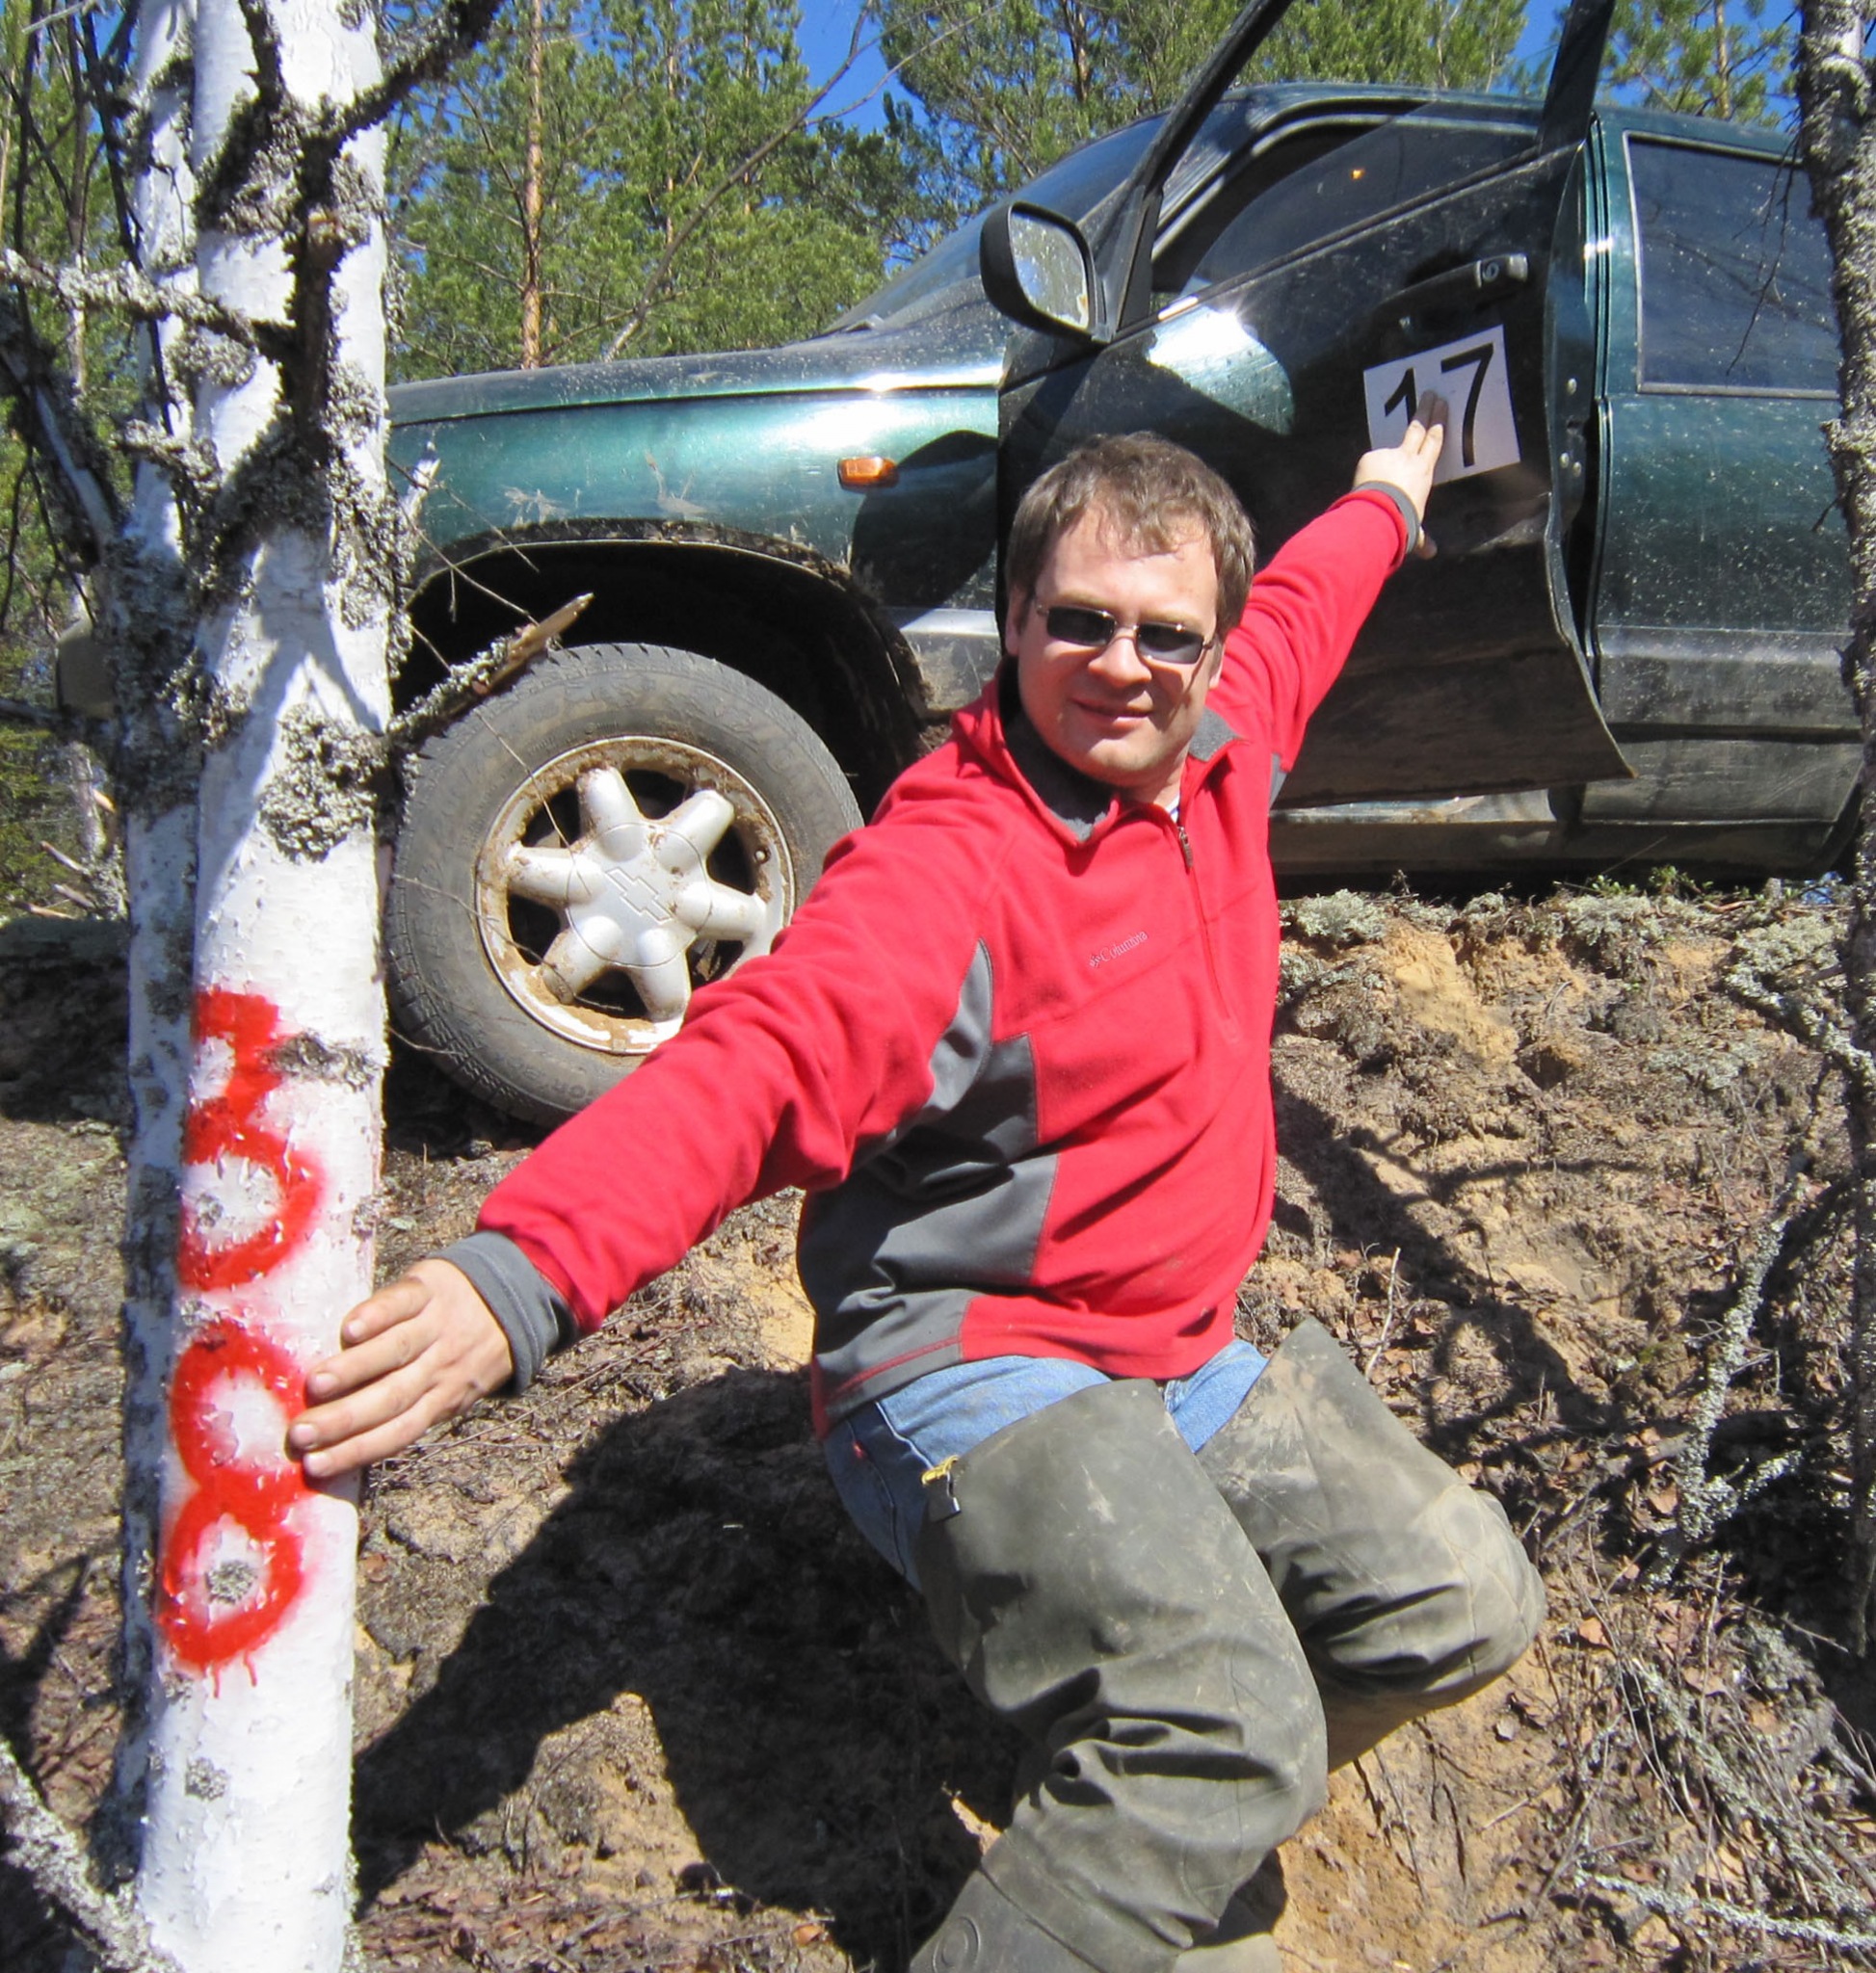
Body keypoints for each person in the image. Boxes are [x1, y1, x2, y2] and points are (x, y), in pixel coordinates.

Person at [291, 402, 1543, 1973]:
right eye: (1078, 621)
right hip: (971, 1363)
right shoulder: (951, 868)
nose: (1123, 665)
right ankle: (1158, 1793)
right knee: (1223, 1726)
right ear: (1013, 621)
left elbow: (1312, 594)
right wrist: (523, 1272)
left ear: (1215, 654)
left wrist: (1389, 491)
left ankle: (1131, 1819)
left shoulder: (1229, 747)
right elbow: (760, 1060)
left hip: (1175, 1355)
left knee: (1462, 1601)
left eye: (1168, 634)